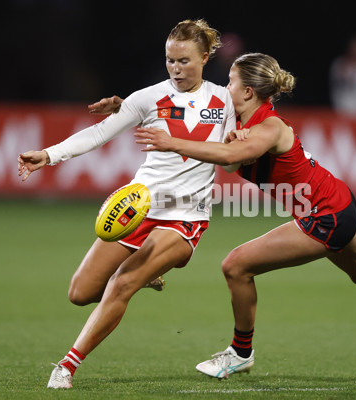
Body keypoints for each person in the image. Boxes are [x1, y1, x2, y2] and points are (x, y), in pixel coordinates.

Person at [133, 52, 356, 381]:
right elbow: (229, 161)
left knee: (236, 265)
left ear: (248, 92)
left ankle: (240, 353)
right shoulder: (242, 125)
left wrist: (174, 143)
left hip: (324, 214)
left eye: (231, 81)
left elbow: (228, 156)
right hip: (336, 202)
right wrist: (229, 136)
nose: (225, 87)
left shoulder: (269, 126)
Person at [17, 19, 237, 389]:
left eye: (184, 60)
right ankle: (147, 276)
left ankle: (67, 367)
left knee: (121, 284)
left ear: (205, 56)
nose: (175, 68)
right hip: (138, 207)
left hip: (185, 218)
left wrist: (232, 147)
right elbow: (100, 133)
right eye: (170, 60)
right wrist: (48, 155)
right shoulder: (147, 97)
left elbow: (231, 162)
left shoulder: (224, 99)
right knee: (80, 293)